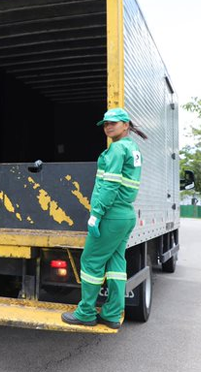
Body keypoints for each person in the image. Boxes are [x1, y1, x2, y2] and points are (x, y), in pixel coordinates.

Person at [61, 107, 147, 329]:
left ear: (126, 125)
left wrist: (96, 214)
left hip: (111, 214)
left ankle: (86, 313)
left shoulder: (117, 150)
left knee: (91, 261)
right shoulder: (133, 148)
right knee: (116, 263)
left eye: (113, 123)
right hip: (125, 214)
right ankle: (111, 314)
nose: (108, 126)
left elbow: (108, 186)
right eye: (106, 124)